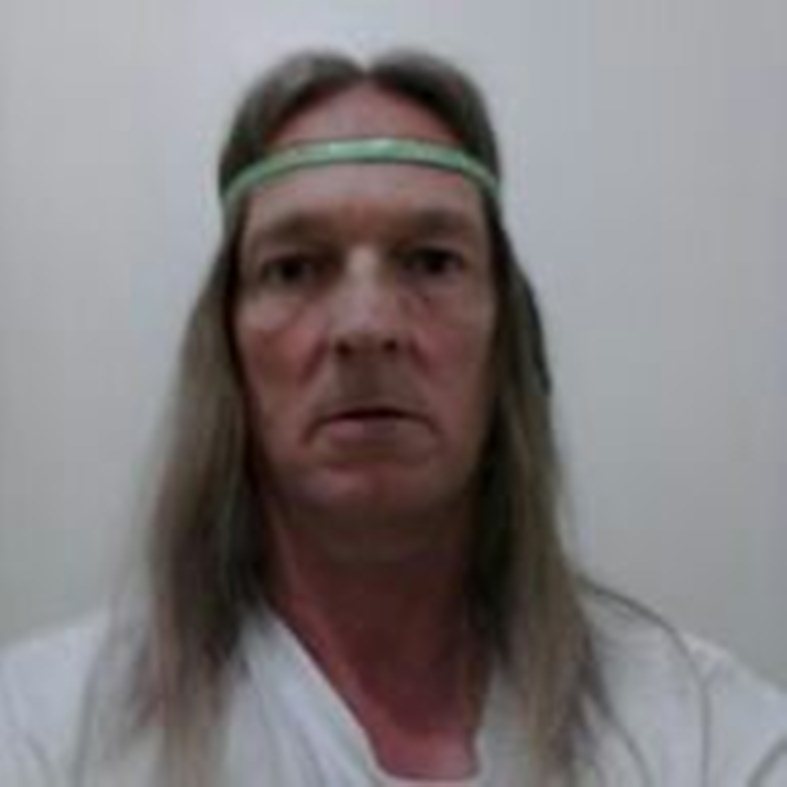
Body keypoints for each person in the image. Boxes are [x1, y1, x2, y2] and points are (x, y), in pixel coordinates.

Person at [1, 49, 786, 787]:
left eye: (431, 261)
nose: (366, 324)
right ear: (228, 349)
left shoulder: (701, 731)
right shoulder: (47, 732)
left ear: (505, 340)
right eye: (294, 268)